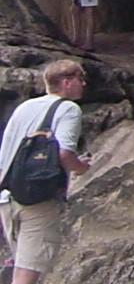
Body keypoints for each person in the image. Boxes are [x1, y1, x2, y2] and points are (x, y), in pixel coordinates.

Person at [0, 60, 92, 284]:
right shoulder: (69, 109)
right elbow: (64, 153)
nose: (83, 84)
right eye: (80, 79)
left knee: (21, 268)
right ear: (67, 82)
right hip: (37, 200)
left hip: (7, 198)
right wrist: (82, 168)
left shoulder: (25, 107)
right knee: (26, 276)